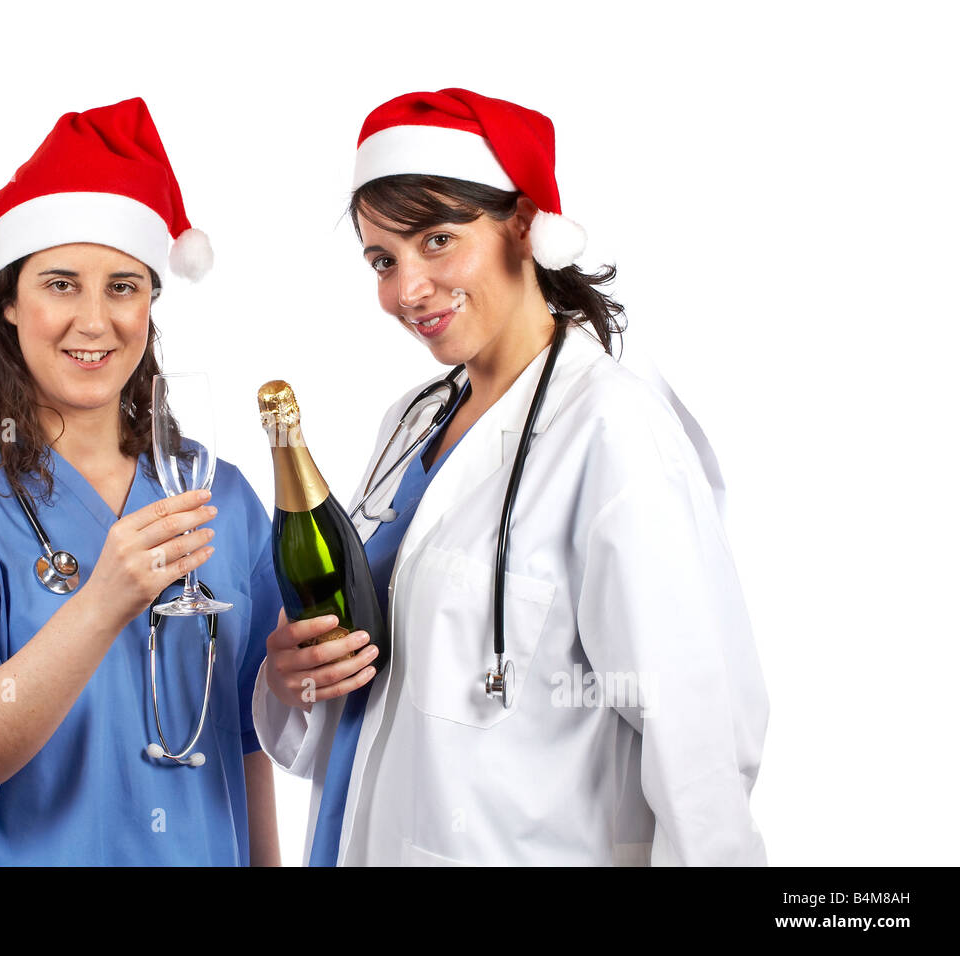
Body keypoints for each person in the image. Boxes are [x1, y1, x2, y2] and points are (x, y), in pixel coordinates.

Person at [253, 88, 769, 866]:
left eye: (436, 240)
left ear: (524, 226)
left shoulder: (611, 431)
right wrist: (296, 679)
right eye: (382, 261)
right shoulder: (411, 421)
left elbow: (696, 749)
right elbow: (378, 705)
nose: (406, 291)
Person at [0, 98, 282, 866]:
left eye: (123, 286)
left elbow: (247, 737)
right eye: (60, 283)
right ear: (8, 302)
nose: (95, 320)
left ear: (150, 303)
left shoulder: (221, 496)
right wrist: (103, 601)